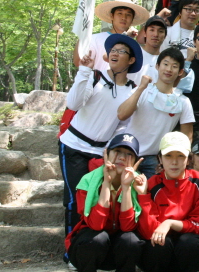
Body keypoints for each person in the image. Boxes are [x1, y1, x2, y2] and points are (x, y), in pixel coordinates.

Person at [60, 34, 143, 243]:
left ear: (131, 60)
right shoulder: (95, 77)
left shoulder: (132, 90)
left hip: (100, 153)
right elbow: (73, 103)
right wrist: (84, 71)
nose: (115, 54)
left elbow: (123, 125)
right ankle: (71, 248)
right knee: (73, 199)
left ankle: (90, 245)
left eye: (121, 51)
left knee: (95, 197)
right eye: (113, 50)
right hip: (73, 145)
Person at [65, 133, 145, 272]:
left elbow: (128, 227)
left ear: (135, 162)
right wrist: (107, 183)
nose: (122, 157)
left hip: (118, 250)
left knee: (130, 240)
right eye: (117, 151)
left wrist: (126, 187)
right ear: (106, 154)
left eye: (129, 154)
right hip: (90, 246)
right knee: (97, 238)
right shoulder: (88, 181)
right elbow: (96, 225)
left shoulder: (139, 183)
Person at [136, 132, 199, 272]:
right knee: (159, 242)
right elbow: (148, 232)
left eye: (180, 156)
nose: (174, 162)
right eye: (168, 156)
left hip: (186, 246)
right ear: (160, 158)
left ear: (189, 159)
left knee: (190, 242)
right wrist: (143, 196)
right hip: (161, 248)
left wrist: (170, 223)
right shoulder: (151, 184)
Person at [117, 48, 195, 178]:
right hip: (128, 151)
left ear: (180, 72)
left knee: (151, 190)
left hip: (154, 159)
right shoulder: (143, 90)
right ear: (157, 66)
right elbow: (122, 114)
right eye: (165, 64)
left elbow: (187, 137)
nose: (169, 69)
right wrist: (141, 88)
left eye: (174, 66)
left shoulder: (183, 101)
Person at [72, 0, 149, 74]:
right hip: (100, 81)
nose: (124, 17)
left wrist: (126, 37)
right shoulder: (94, 39)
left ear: (132, 19)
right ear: (112, 16)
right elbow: (79, 62)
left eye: (128, 15)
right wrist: (82, 36)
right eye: (120, 13)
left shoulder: (134, 46)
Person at [132, 16, 169, 85]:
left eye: (160, 31)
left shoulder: (166, 61)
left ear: (165, 36)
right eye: (152, 30)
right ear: (145, 33)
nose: (156, 34)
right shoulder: (133, 53)